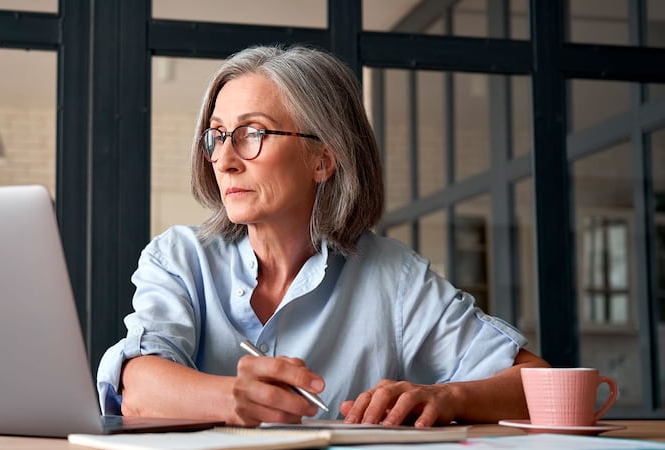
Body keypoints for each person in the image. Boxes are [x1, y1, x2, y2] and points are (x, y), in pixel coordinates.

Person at [96, 44, 549, 427]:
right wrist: (235, 397)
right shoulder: (179, 257)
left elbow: (542, 385)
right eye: (217, 136)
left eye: (251, 133)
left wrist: (449, 398)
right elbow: (136, 387)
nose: (225, 159)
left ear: (323, 160)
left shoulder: (395, 277)